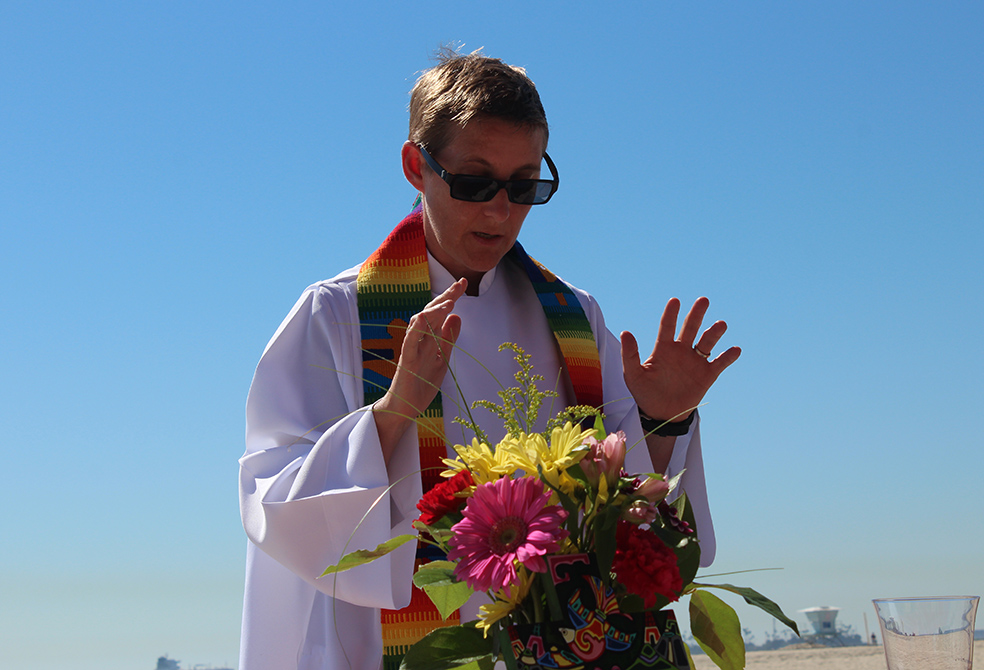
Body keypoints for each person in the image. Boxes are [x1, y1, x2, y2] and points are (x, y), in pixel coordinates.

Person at [238, 50, 740, 670]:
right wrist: (393, 413)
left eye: (525, 185)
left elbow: (626, 510)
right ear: (416, 167)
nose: (501, 211)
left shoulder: (573, 318)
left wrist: (664, 421)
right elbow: (272, 502)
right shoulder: (337, 315)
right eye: (475, 183)